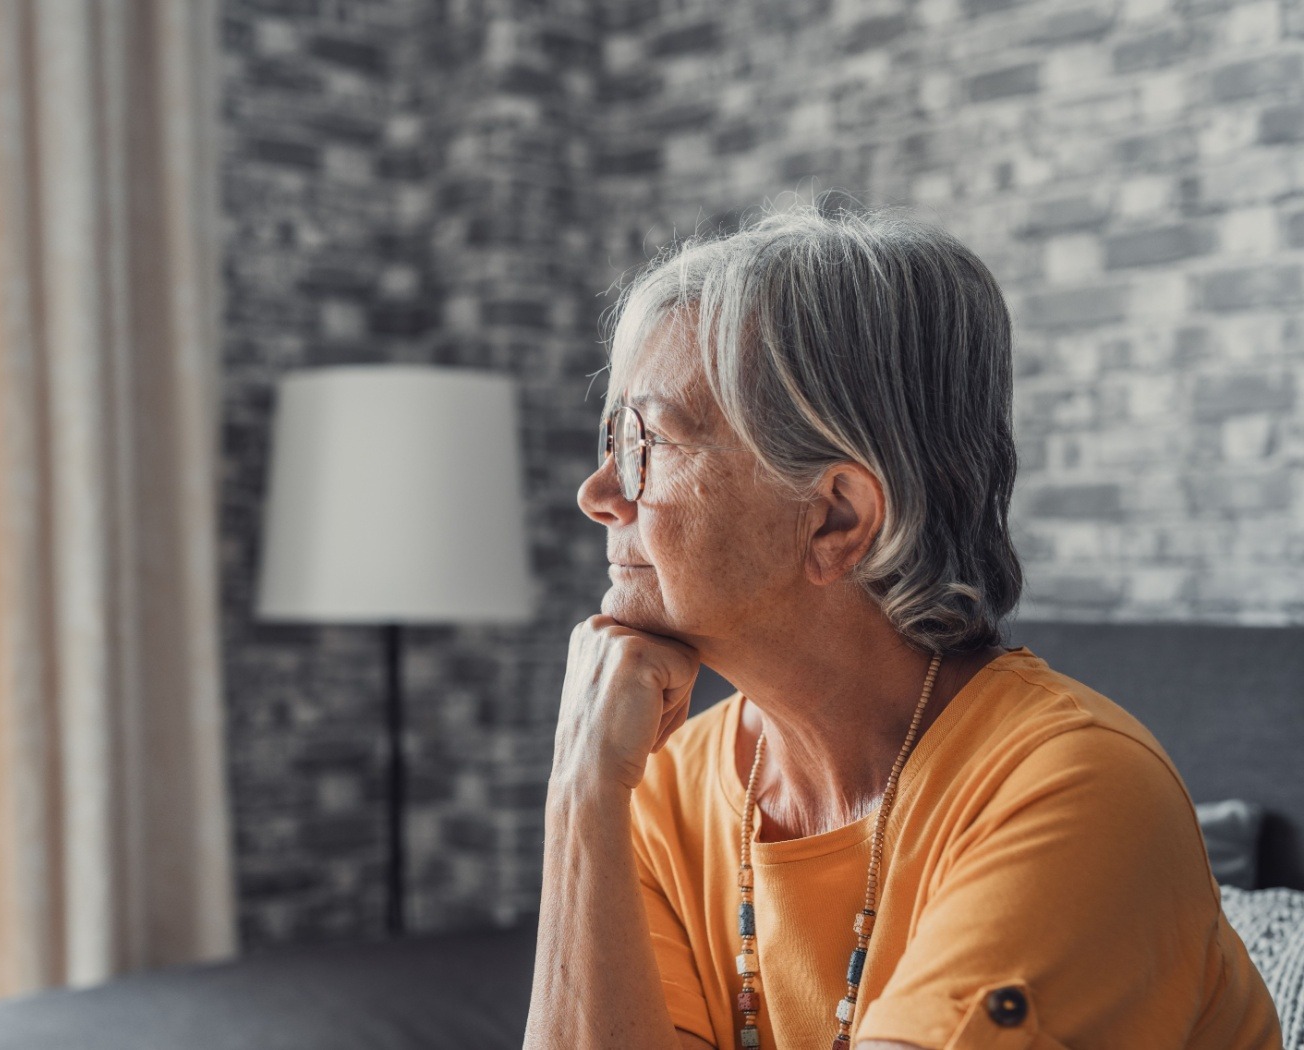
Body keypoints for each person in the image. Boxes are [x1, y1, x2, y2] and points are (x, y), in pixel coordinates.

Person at [522, 200, 1282, 1049]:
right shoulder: (658, 782)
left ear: (836, 519)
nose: (598, 493)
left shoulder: (1076, 794)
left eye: (647, 442)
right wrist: (580, 790)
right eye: (613, 438)